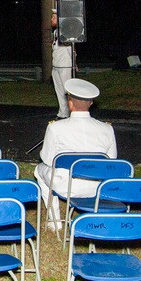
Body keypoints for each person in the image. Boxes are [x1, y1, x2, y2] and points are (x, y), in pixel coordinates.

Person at [33, 78, 117, 229]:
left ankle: (56, 221)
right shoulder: (107, 129)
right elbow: (112, 161)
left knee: (39, 170)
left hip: (67, 185)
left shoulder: (55, 128)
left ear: (70, 103)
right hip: (97, 186)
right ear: (91, 103)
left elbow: (48, 159)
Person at [50, 11, 76, 119]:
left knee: (68, 91)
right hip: (56, 65)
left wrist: (74, 63)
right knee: (59, 91)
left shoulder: (65, 32)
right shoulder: (56, 32)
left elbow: (71, 50)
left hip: (64, 66)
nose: (51, 20)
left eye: (54, 18)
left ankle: (73, 113)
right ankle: (63, 113)